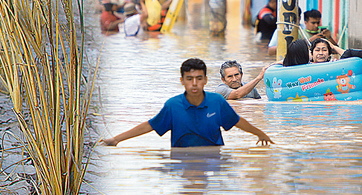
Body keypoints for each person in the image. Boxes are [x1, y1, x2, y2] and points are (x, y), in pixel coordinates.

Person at [101, 58, 273, 147]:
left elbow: (238, 122)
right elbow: (150, 125)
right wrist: (116, 139)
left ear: (205, 80)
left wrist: (260, 134)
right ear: (182, 81)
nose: (194, 83)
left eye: (199, 78)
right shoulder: (173, 105)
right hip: (181, 160)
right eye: (189, 79)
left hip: (214, 160)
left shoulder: (216, 102)